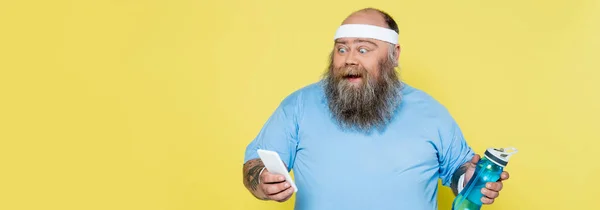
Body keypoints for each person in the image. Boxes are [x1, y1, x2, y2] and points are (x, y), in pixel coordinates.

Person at [242, 8, 510, 210]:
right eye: (342, 49)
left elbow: (459, 172)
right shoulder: (298, 106)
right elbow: (254, 164)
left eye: (363, 49)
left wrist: (473, 180)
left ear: (394, 55)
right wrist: (263, 180)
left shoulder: (431, 112)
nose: (349, 59)